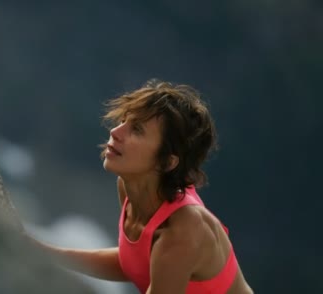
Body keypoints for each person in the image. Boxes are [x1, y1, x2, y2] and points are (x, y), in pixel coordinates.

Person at [27, 79, 253, 294]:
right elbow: (134, 261)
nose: (116, 132)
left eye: (136, 130)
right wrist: (48, 254)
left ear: (166, 162)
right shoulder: (129, 188)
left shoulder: (182, 231)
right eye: (123, 121)